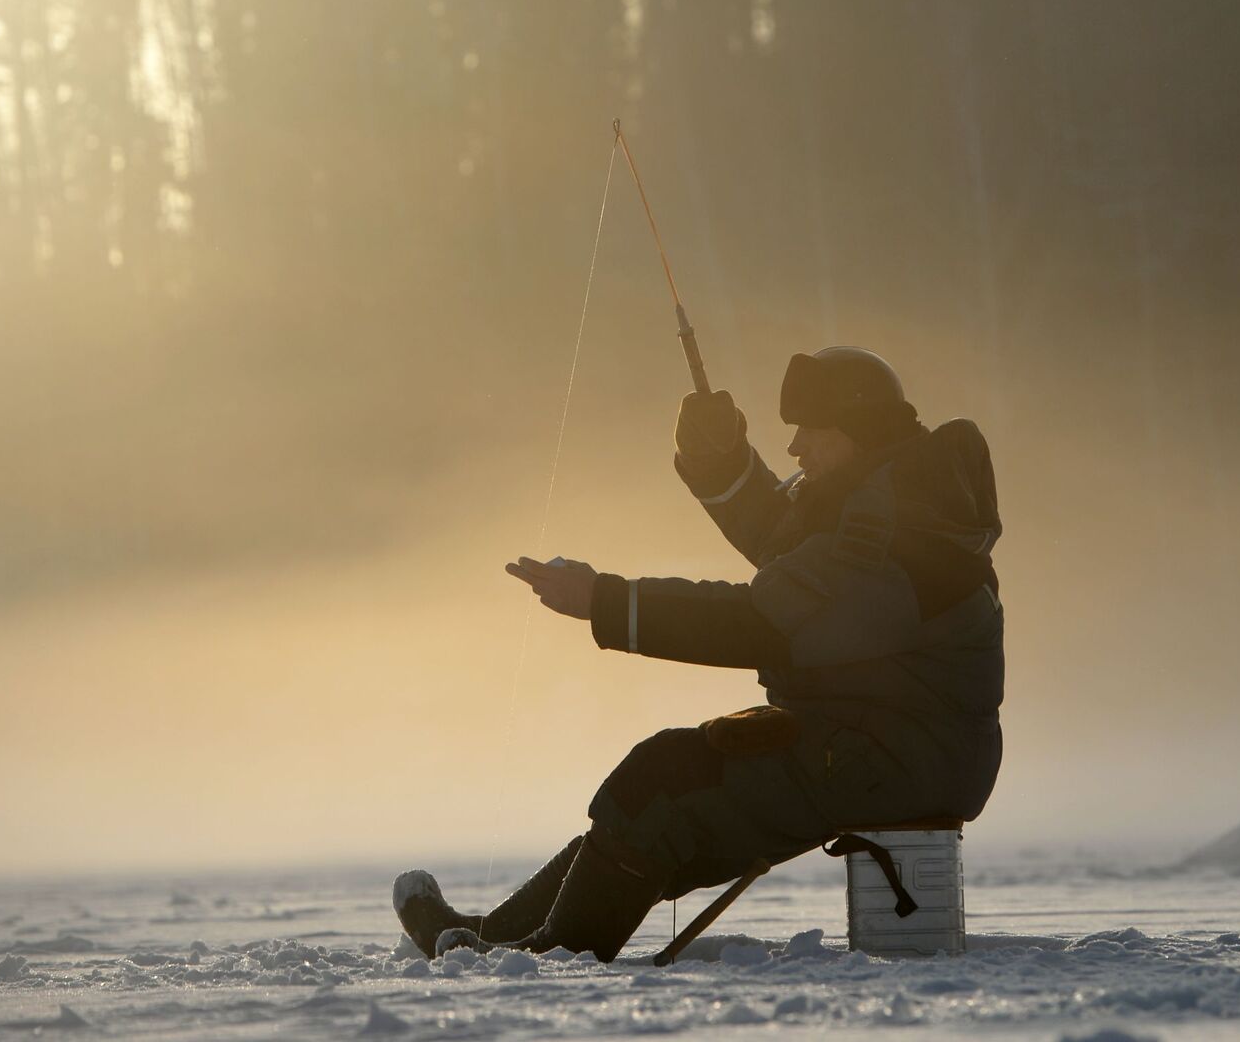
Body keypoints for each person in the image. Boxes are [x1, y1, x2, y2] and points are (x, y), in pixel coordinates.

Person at [393, 345, 1004, 962]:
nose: (795, 448)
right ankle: (497, 937)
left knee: (663, 781)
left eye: (811, 431)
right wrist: (723, 462)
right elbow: (784, 538)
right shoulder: (888, 502)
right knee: (664, 780)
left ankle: (551, 956)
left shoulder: (895, 534)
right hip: (870, 738)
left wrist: (604, 600)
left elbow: (759, 622)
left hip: (894, 753)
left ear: (859, 432)